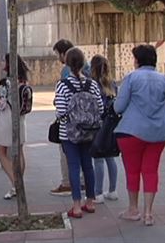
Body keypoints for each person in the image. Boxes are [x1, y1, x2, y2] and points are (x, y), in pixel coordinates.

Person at [114, 44, 165, 226]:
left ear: (137, 60)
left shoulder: (131, 78)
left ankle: (133, 209)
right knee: (151, 170)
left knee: (133, 170)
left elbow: (118, 107)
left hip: (131, 130)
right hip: (158, 131)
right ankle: (148, 213)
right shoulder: (164, 79)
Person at [54, 47, 103, 218]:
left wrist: (72, 121)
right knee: (88, 166)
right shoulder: (92, 84)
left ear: (67, 63)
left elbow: (60, 111)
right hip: (89, 133)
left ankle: (76, 206)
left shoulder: (62, 85)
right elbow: (100, 108)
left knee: (73, 167)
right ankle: (90, 202)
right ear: (83, 63)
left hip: (69, 134)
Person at [50, 39, 91, 196]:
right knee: (87, 162)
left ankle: (69, 186)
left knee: (69, 158)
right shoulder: (87, 72)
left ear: (64, 54)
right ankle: (88, 191)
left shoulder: (66, 72)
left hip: (69, 125)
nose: (58, 58)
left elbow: (61, 108)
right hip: (87, 123)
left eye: (58, 54)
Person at [0, 53, 30, 199]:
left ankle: (16, 183)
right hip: (20, 118)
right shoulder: (23, 81)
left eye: (4, 60)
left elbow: (1, 104)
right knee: (19, 151)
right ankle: (19, 183)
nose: (2, 62)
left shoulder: (5, 82)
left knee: (0, 152)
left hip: (6, 119)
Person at [89, 54, 119, 204]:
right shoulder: (112, 85)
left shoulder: (92, 85)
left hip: (98, 125)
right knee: (110, 158)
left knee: (98, 159)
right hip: (111, 125)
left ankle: (98, 192)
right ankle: (113, 190)